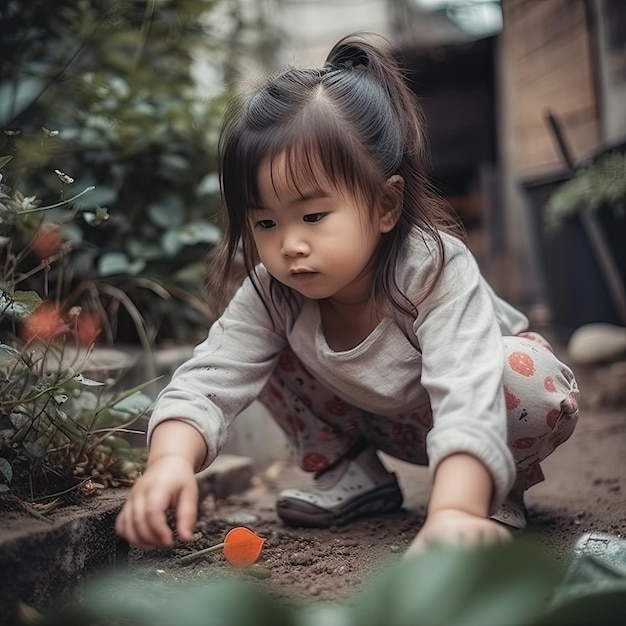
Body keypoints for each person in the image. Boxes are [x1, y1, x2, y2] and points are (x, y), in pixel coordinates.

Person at [115, 33, 579, 556]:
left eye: (314, 216)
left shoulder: (432, 268)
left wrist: (454, 510)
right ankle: (354, 475)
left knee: (523, 375)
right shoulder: (275, 292)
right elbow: (209, 379)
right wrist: (169, 463)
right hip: (385, 422)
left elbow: (467, 393)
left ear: (385, 204)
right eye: (265, 221)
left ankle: (490, 491)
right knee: (259, 348)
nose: (290, 244)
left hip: (489, 417)